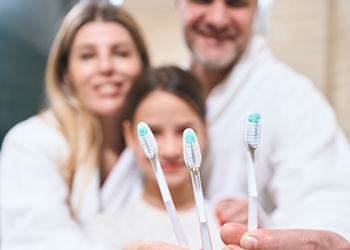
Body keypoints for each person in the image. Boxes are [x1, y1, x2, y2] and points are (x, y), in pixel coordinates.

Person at [124, 0, 350, 249]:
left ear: (257, 9)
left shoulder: (294, 100)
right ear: (178, 4)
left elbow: (328, 207)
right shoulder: (167, 89)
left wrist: (262, 227)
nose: (217, 19)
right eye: (203, 0)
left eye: (236, 3)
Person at [0, 2, 149, 249]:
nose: (106, 67)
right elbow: (39, 239)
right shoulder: (29, 142)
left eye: (121, 53)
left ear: (143, 66)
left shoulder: (155, 147)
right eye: (88, 55)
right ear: (66, 72)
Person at [83, 66, 225, 250]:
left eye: (184, 131)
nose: (170, 150)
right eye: (153, 133)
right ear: (129, 136)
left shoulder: (233, 223)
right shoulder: (106, 231)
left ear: (205, 132)